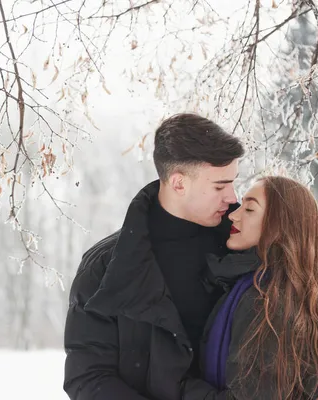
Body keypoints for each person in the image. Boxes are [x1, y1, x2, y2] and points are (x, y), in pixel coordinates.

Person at [63, 113, 245, 400]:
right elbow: (88, 377)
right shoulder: (105, 266)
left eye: (233, 183)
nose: (233, 197)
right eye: (220, 186)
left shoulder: (247, 251)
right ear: (178, 183)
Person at [180, 176, 318, 400]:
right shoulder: (256, 285)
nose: (233, 215)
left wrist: (179, 387)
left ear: (278, 224)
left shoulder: (271, 301)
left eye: (249, 209)